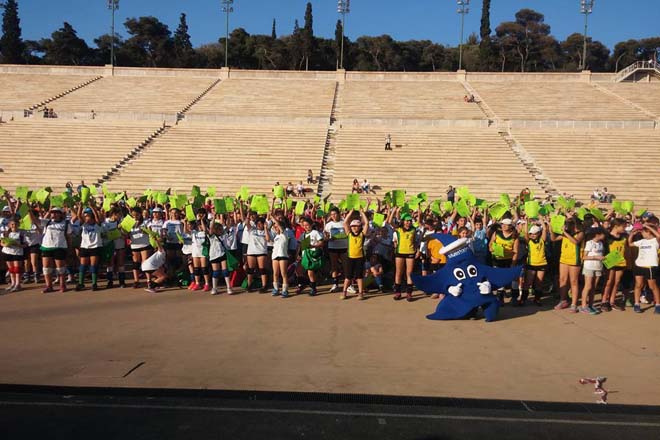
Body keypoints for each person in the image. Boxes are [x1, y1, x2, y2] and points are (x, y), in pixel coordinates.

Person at [551, 218, 585, 312]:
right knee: (562, 280)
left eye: (569, 224)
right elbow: (553, 239)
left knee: (573, 281)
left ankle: (574, 304)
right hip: (564, 259)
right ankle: (563, 300)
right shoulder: (565, 233)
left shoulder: (580, 233)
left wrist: (565, 233)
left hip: (574, 260)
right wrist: (551, 229)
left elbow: (575, 241)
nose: (567, 225)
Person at [628, 220, 660, 314]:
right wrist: (632, 234)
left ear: (648, 232)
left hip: (650, 266)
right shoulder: (642, 241)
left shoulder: (655, 241)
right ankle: (637, 304)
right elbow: (630, 244)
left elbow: (658, 236)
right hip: (639, 265)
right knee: (638, 285)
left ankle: (658, 305)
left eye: (643, 232)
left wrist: (648, 227)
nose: (641, 234)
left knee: (652, 286)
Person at [38, 207, 72, 293]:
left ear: (60, 214)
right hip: (46, 247)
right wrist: (29, 211)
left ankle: (62, 285)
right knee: (46, 268)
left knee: (60, 268)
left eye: (56, 212)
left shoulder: (66, 223)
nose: (54, 214)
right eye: (52, 212)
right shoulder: (47, 222)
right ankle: (49, 286)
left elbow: (68, 237)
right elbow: (36, 221)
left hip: (60, 247)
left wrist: (69, 248)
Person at [74, 204, 103, 291]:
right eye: (85, 216)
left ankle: (94, 283)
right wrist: (80, 206)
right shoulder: (84, 225)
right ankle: (81, 283)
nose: (86, 218)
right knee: (83, 266)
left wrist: (92, 207)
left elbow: (97, 217)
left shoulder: (97, 224)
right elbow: (79, 215)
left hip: (95, 247)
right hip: (85, 247)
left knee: (93, 266)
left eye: (88, 216)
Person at [341, 208, 369, 300]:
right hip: (350, 257)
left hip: (360, 257)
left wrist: (362, 213)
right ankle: (344, 292)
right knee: (348, 276)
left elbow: (367, 223)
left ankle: (360, 293)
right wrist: (350, 212)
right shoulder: (349, 234)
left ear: (360, 227)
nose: (354, 228)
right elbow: (345, 223)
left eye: (357, 226)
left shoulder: (362, 234)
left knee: (359, 276)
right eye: (353, 226)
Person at [390, 209, 418, 301]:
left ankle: (409, 293)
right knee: (399, 272)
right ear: (403, 221)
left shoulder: (413, 229)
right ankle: (398, 292)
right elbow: (390, 222)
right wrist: (394, 210)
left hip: (410, 252)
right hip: (400, 253)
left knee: (409, 273)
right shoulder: (399, 229)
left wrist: (416, 250)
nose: (408, 222)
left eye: (410, 221)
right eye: (407, 221)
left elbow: (414, 241)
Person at [601, 218, 628, 311]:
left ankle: (612, 301)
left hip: (620, 261)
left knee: (616, 282)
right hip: (610, 261)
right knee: (608, 282)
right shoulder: (607, 236)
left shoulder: (624, 236)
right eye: (623, 226)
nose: (625, 228)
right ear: (616, 226)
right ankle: (604, 301)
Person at [580, 227, 606, 315]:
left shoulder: (601, 243)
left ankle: (591, 305)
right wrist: (595, 257)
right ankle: (583, 306)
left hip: (598, 267)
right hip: (589, 267)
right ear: (597, 234)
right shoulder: (589, 243)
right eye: (603, 234)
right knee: (588, 286)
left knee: (594, 287)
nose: (604, 235)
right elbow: (584, 257)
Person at [522, 221, 548, 306]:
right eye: (531, 234)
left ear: (539, 233)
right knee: (528, 283)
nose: (532, 235)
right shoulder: (528, 241)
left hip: (542, 264)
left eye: (534, 233)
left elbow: (544, 229)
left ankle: (537, 299)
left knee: (539, 283)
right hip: (531, 264)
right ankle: (523, 299)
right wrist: (526, 222)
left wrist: (542, 221)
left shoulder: (542, 240)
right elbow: (525, 232)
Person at [297, 216, 324, 296]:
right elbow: (301, 246)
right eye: (304, 225)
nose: (305, 227)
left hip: (313, 255)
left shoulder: (315, 232)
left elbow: (321, 242)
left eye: (307, 225)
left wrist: (314, 246)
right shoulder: (303, 235)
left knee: (310, 272)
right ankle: (304, 285)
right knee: (301, 271)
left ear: (311, 225)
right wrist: (299, 255)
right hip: (305, 255)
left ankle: (313, 288)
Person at [265, 212, 289, 297]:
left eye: (276, 227)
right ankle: (276, 289)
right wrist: (266, 228)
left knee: (283, 273)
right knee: (275, 273)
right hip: (275, 255)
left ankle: (285, 290)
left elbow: (279, 225)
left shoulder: (284, 233)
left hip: (283, 255)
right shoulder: (276, 236)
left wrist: (272, 217)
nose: (275, 228)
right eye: (274, 227)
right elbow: (268, 239)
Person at [324, 207, 348, 293]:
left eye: (335, 214)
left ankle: (349, 284)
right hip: (333, 247)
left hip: (344, 246)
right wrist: (328, 239)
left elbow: (348, 233)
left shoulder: (344, 222)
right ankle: (335, 284)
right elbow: (325, 237)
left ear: (339, 214)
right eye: (332, 214)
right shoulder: (328, 225)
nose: (333, 216)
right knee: (334, 266)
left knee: (346, 266)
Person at [188, 208, 211, 292]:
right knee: (196, 268)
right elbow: (187, 230)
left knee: (204, 268)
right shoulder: (194, 231)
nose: (200, 226)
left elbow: (205, 230)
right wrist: (185, 222)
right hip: (195, 251)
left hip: (203, 251)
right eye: (199, 213)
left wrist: (202, 220)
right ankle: (197, 283)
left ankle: (207, 283)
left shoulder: (206, 227)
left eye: (202, 213)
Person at [2, 218, 26, 292]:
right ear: (9, 225)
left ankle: (18, 284)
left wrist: (17, 245)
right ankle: (13, 283)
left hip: (17, 252)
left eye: (15, 224)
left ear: (18, 225)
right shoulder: (6, 233)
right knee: (11, 269)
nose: (14, 226)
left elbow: (25, 244)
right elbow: (2, 242)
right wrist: (5, 244)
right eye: (12, 224)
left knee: (17, 269)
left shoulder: (21, 233)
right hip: (7, 252)